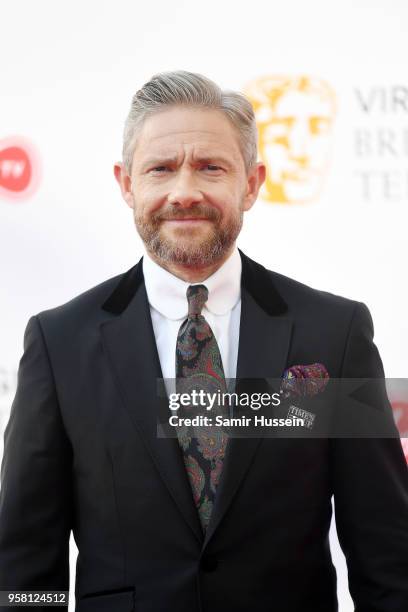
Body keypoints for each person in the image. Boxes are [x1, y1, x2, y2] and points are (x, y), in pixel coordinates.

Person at [0, 70, 407, 612]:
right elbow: (24, 563)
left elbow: (387, 552)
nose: (184, 191)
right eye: (161, 168)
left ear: (252, 182)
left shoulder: (332, 334)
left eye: (210, 167)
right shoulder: (60, 342)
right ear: (127, 184)